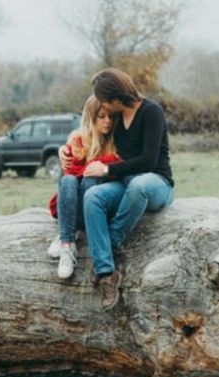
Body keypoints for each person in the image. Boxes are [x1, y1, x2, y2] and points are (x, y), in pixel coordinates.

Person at [80, 67, 175, 311]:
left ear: (114, 98)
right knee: (93, 197)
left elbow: (148, 161)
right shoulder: (117, 120)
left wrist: (107, 171)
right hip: (126, 183)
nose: (103, 107)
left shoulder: (152, 112)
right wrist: (65, 150)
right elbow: (89, 134)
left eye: (103, 100)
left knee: (138, 184)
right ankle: (106, 273)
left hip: (156, 183)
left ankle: (107, 247)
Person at [48, 95, 121, 280]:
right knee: (68, 180)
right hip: (72, 204)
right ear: (91, 117)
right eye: (102, 116)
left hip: (95, 212)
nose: (107, 121)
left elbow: (118, 165)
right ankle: (67, 244)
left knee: (90, 178)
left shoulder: (116, 141)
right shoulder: (78, 139)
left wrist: (96, 166)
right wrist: (64, 152)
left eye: (111, 117)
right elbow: (70, 169)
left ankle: (67, 232)